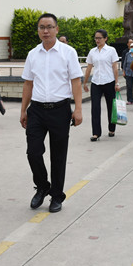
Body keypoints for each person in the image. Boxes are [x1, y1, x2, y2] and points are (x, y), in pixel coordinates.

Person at [20, 13, 83, 213]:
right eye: (41, 27)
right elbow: (28, 84)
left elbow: (76, 81)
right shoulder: (33, 54)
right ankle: (42, 186)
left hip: (60, 110)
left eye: (49, 27)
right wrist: (23, 110)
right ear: (38, 30)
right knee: (33, 152)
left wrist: (78, 109)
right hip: (37, 110)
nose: (45, 31)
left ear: (56, 29)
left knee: (58, 155)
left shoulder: (68, 52)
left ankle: (56, 195)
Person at [83, 29, 120, 141]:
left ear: (105, 38)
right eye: (96, 38)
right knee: (95, 108)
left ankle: (111, 129)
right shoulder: (92, 52)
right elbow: (89, 68)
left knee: (110, 106)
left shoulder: (111, 50)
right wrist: (85, 82)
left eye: (99, 38)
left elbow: (115, 67)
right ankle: (96, 133)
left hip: (109, 81)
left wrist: (117, 83)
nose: (97, 40)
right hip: (96, 82)